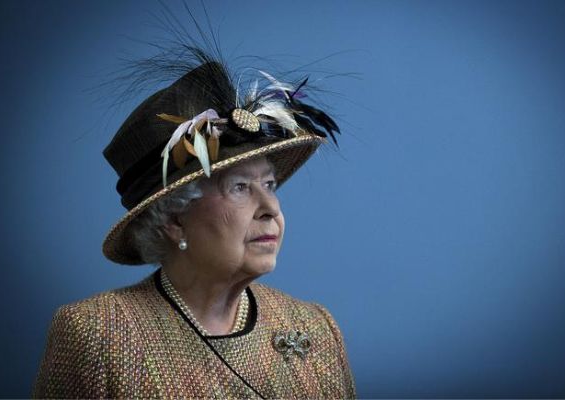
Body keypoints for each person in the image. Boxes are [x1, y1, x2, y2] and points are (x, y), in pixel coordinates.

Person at [32, 42, 355, 399]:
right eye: (239, 187)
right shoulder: (98, 335)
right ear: (174, 219)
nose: (270, 208)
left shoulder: (315, 328)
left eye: (269, 184)